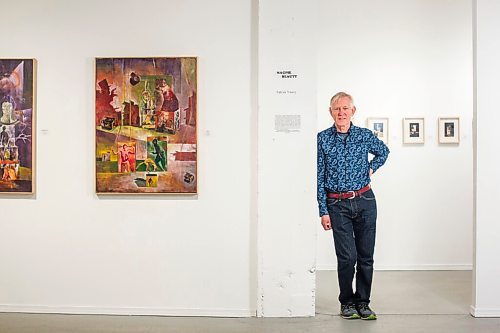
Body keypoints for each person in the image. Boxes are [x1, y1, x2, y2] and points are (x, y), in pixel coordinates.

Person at [317, 92, 389, 320]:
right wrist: (323, 210)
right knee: (347, 257)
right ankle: (347, 302)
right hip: (336, 204)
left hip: (365, 201)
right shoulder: (322, 139)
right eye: (336, 109)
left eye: (345, 108)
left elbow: (384, 151)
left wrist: (371, 168)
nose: (341, 113)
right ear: (330, 112)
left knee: (366, 257)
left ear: (353, 111)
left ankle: (363, 302)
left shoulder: (364, 135)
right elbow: (318, 176)